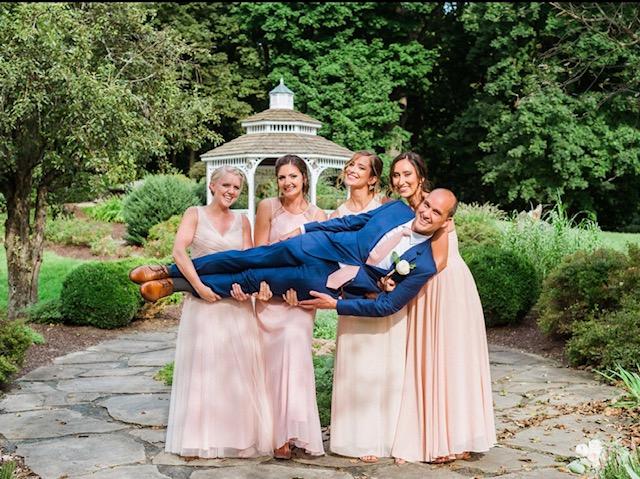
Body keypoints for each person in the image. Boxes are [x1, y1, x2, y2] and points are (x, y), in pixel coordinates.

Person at [129, 188, 458, 319]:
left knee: (252, 278)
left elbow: (388, 305)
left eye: (436, 213)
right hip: (311, 246)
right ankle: (166, 269)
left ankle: (175, 286)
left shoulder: (424, 263)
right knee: (246, 258)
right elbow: (348, 223)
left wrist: (337, 304)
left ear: (445, 220)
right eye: (427, 204)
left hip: (322, 280)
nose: (426, 213)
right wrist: (304, 230)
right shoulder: (396, 210)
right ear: (424, 200)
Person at [389, 155, 496, 463]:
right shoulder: (401, 209)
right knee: (424, 360)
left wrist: (397, 277)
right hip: (419, 289)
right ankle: (428, 433)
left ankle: (456, 437)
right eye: (396, 175)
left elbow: (437, 261)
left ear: (420, 176)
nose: (401, 181)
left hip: (445, 287)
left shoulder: (438, 205)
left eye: (407, 174)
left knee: (450, 361)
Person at [164, 166, 273, 458]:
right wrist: (198, 287)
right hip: (204, 304)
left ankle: (238, 438)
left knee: (236, 372)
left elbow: (248, 262)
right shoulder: (194, 214)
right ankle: (203, 438)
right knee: (206, 369)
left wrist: (246, 289)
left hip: (236, 305)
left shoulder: (243, 220)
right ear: (212, 185)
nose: (231, 191)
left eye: (236, 188)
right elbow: (178, 252)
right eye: (226, 185)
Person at [328, 151, 406, 462]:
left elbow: (402, 249)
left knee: (384, 367)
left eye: (360, 167)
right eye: (350, 165)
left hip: (385, 298)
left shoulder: (386, 209)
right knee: (357, 369)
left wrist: (385, 283)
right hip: (355, 297)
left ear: (373, 178)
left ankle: (388, 437)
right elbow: (335, 262)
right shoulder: (336, 215)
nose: (352, 170)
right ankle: (358, 440)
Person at [252, 154, 326, 459]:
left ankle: (292, 432)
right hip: (269, 298)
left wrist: (304, 291)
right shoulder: (267, 208)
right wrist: (263, 287)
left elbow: (322, 264)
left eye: (293, 176)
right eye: (282, 177)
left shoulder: (319, 216)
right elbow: (256, 254)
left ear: (304, 179)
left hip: (300, 302)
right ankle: (273, 434)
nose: (287, 183)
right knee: (268, 365)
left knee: (295, 354)